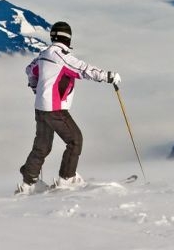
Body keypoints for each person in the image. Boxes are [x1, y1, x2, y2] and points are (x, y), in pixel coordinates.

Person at [17, 21, 121, 194]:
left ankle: (28, 183)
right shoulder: (63, 57)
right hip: (55, 109)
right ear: (68, 38)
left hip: (40, 108)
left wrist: (36, 88)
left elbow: (29, 70)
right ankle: (67, 178)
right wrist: (108, 76)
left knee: (42, 146)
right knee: (75, 140)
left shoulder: (43, 55)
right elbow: (83, 69)